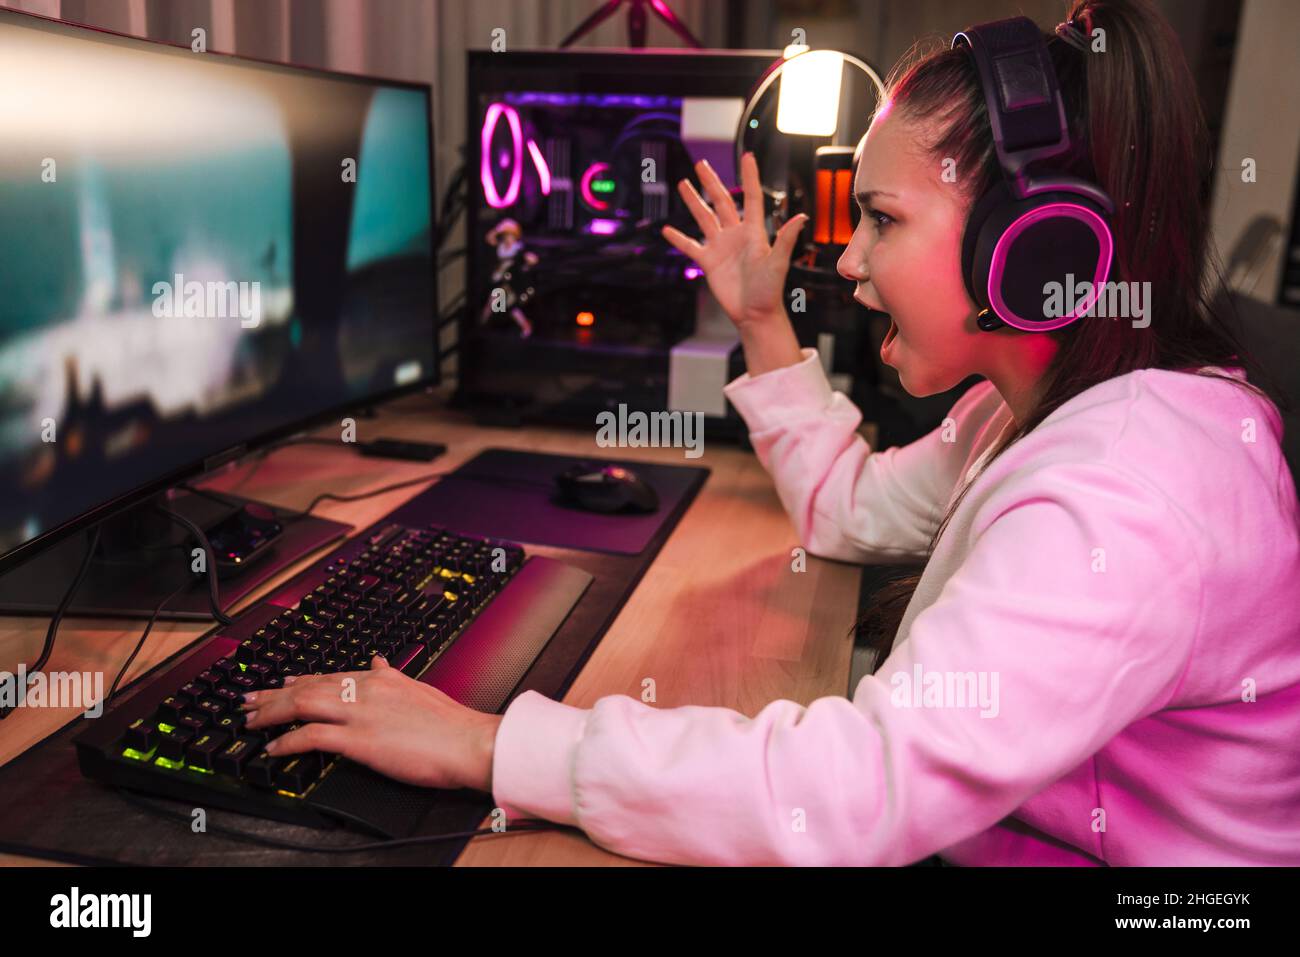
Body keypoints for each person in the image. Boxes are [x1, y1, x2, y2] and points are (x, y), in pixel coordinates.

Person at [239, 0, 1300, 865]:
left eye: (881, 221)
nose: (847, 262)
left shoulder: (1124, 489)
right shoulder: (1045, 411)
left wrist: (485, 745)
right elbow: (847, 513)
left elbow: (852, 799)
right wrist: (756, 318)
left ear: (1029, 248)